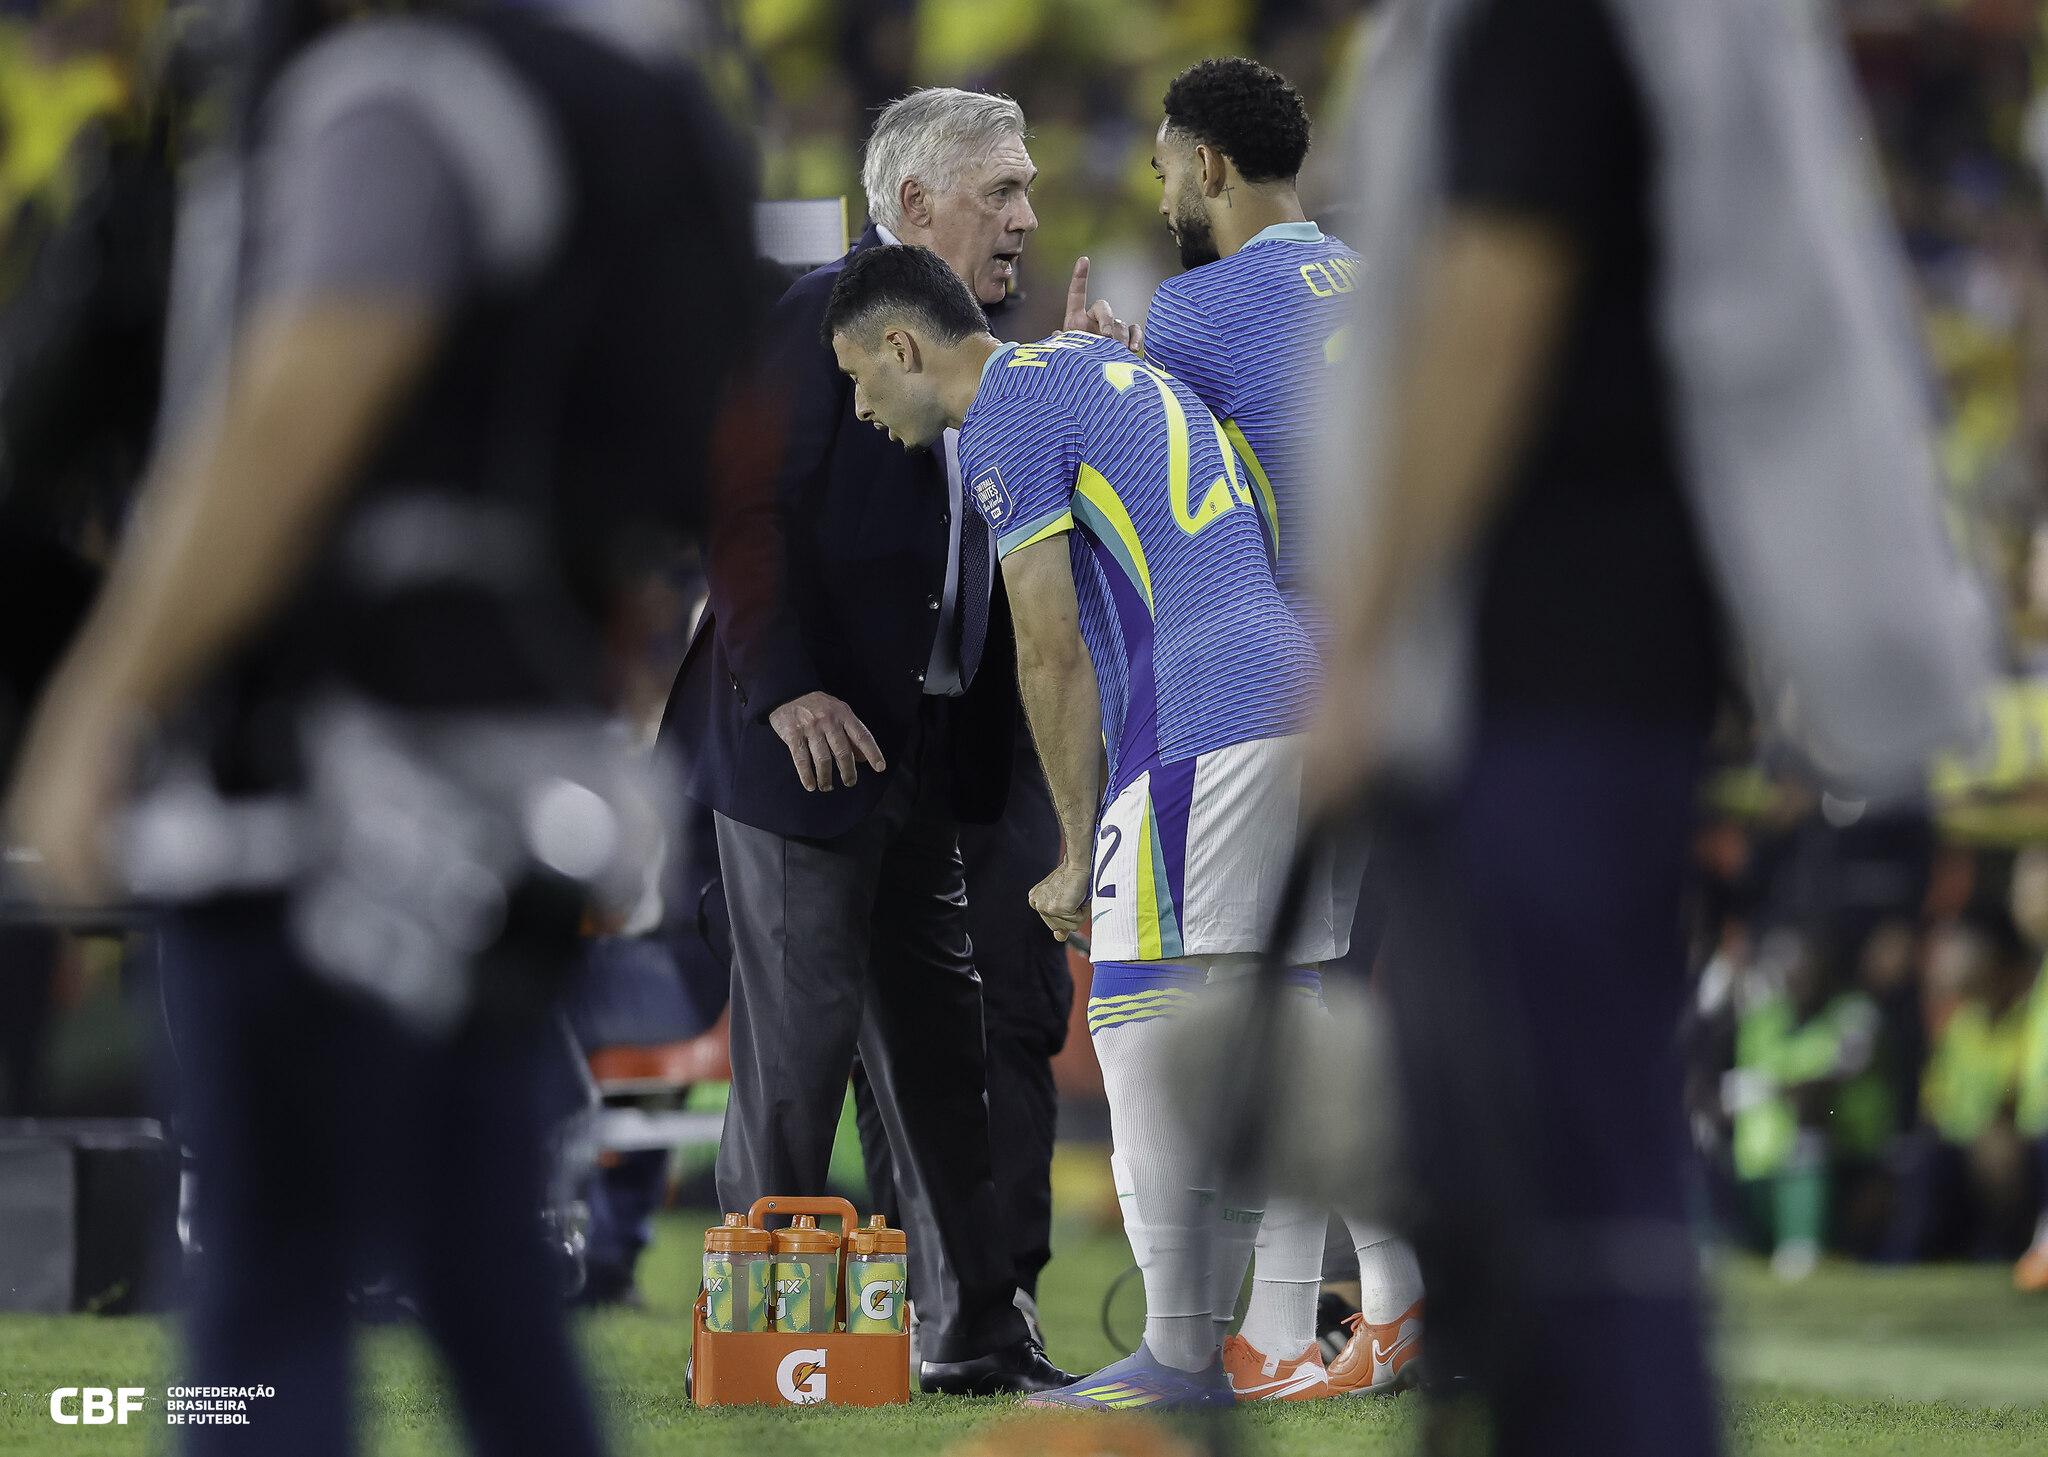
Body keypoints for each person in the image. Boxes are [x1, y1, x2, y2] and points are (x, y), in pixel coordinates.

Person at [6, 0, 754, 1450]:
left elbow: (292, 417)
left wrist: (103, 695)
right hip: (496, 771)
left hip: (316, 779)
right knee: (491, 1299)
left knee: (264, 1292)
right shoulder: (595, 93)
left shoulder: (397, 106)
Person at [1304, 0, 1987, 1451]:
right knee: (1563, 1188)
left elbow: (1493, 299)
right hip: (1594, 661)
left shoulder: (1538, 22)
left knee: (1559, 1196)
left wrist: (1360, 644)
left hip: (1534, 671)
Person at [824, 243, 1337, 1411]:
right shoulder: (1091, 368)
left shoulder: (1005, 412)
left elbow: (1049, 648)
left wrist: (1073, 846)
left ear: (902, 346)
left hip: (1197, 714)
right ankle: (1277, 1340)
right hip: (1289, 687)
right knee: (1277, 1015)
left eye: (858, 378)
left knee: (1133, 1009)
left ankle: (1178, 1349)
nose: (860, 408)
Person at [660, 86, 1070, 1395]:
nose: (1026, 216)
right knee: (797, 1062)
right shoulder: (810, 318)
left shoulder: (988, 354)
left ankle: (972, 1334)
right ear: (912, 204)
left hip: (923, 759)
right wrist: (784, 689)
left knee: (944, 1063)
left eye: (1025, 187)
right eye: (1001, 190)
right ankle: (766, 1347)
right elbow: (739, 507)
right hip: (803, 756)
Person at [1137, 56, 1423, 1399]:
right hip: (1412, 674)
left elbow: (1167, 494)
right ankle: (1359, 1312)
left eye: (1163, 166)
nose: (1161, 193)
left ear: (1205, 163)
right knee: (1318, 990)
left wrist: (1110, 367)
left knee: (1267, 997)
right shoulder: (1382, 275)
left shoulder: (1192, 309)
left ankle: (1305, 1319)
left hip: (1291, 672)